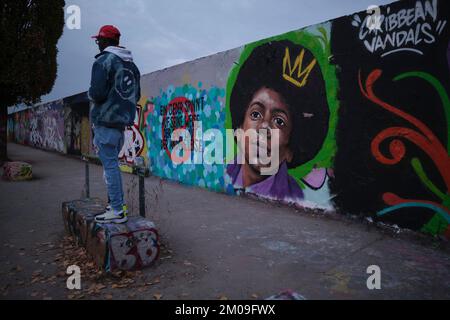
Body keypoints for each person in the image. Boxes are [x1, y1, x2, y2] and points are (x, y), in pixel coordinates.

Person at [226, 40, 330, 205]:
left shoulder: (293, 199)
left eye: (279, 121)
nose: (264, 126)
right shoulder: (223, 175)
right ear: (240, 128)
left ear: (289, 151)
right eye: (255, 114)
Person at [88, 25, 141, 224]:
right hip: (121, 123)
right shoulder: (132, 66)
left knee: (110, 167)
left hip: (105, 121)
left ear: (106, 41)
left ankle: (117, 209)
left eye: (99, 40)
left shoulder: (104, 61)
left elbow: (97, 93)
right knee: (112, 165)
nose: (98, 44)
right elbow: (137, 95)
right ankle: (115, 205)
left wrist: (91, 95)